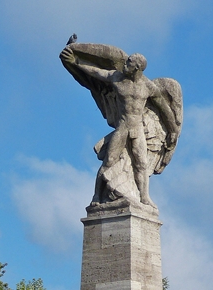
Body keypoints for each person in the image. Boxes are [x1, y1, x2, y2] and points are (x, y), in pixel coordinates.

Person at [60, 46, 179, 207]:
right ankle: (96, 196)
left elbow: (165, 109)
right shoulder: (117, 77)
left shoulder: (148, 87)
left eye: (129, 63)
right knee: (108, 162)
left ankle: (144, 197)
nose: (125, 65)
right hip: (122, 128)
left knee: (141, 165)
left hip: (137, 131)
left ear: (137, 68)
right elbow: (96, 72)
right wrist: (75, 62)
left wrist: (172, 130)